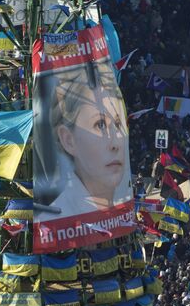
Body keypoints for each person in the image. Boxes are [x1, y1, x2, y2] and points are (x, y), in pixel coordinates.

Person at [46, 64, 131, 215]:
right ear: (68, 140)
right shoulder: (57, 213)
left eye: (118, 124)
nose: (115, 143)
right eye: (100, 125)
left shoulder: (120, 208)